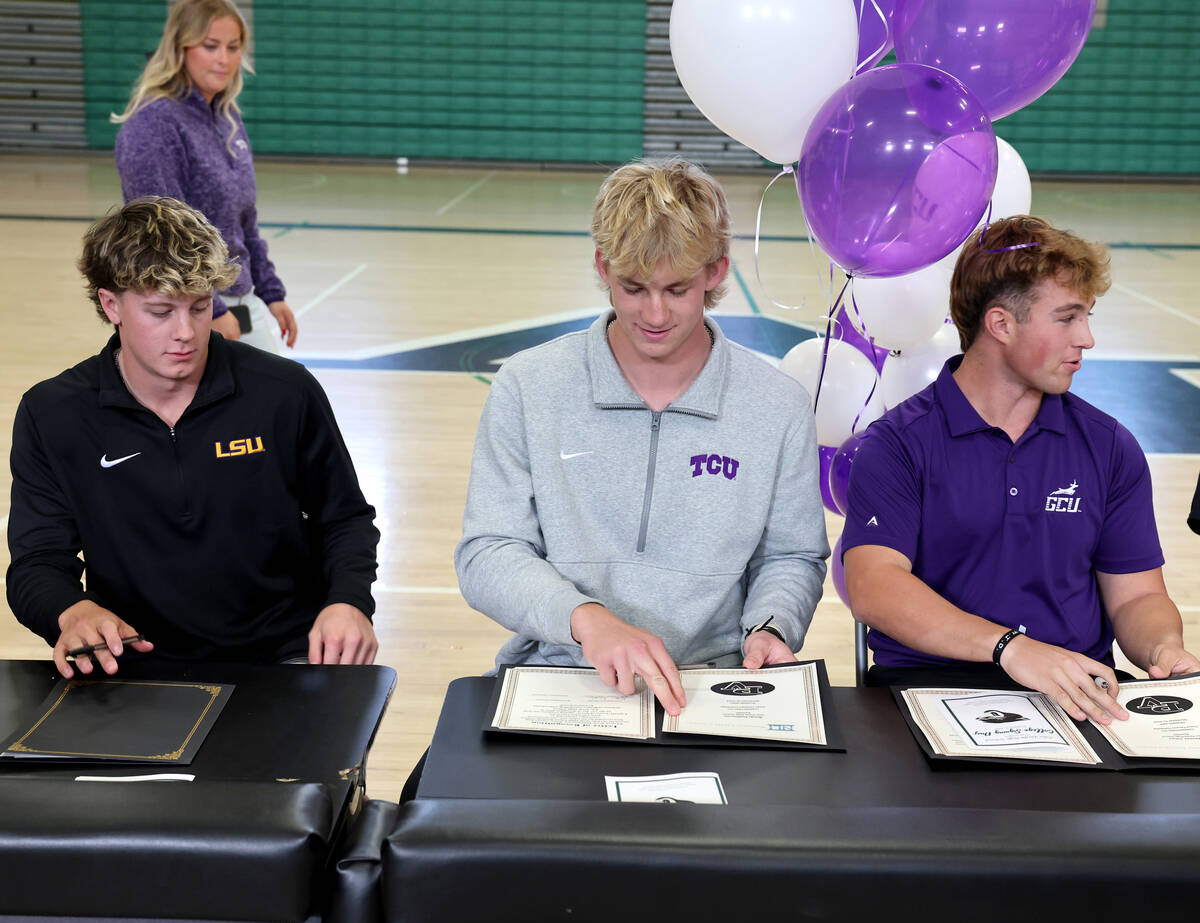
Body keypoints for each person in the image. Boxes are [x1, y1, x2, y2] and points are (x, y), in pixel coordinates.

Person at [454, 157, 829, 716]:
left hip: (713, 688)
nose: (655, 314)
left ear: (716, 271)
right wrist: (588, 622)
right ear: (603, 267)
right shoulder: (528, 386)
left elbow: (793, 555)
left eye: (677, 289)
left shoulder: (778, 406)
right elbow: (488, 551)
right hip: (561, 676)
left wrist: (773, 625)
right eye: (634, 288)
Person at [842, 214, 1198, 724]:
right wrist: (1011, 648)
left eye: (1087, 317)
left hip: (1077, 695)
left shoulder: (1108, 445)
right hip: (926, 693)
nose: (1088, 339)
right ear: (1001, 324)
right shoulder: (897, 443)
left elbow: (1137, 595)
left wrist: (1162, 648)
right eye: (1068, 318)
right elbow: (875, 587)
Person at [6, 196, 379, 679]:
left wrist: (348, 602)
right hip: (131, 663)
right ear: (110, 304)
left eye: (200, 308)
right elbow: (36, 561)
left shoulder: (285, 392)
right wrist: (72, 611)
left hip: (284, 657)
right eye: (160, 311)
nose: (186, 332)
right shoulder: (51, 413)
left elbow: (345, 518)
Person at [112, 0, 297, 353]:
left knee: (284, 399)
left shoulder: (227, 118)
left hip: (236, 303)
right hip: (184, 313)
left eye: (233, 47)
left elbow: (245, 222)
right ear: (180, 48)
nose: (224, 59)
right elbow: (162, 236)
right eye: (210, 46)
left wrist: (271, 293)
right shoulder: (153, 125)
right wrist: (210, 307)